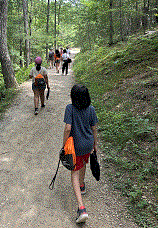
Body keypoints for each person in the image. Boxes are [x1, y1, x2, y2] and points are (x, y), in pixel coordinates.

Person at [63, 84, 98, 224]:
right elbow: (94, 128)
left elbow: (67, 128)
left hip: (75, 147)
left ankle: (81, 208)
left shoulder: (70, 108)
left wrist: (64, 146)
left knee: (74, 172)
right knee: (83, 163)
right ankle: (82, 185)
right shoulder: (91, 109)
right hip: (88, 144)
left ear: (73, 97)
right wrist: (95, 144)